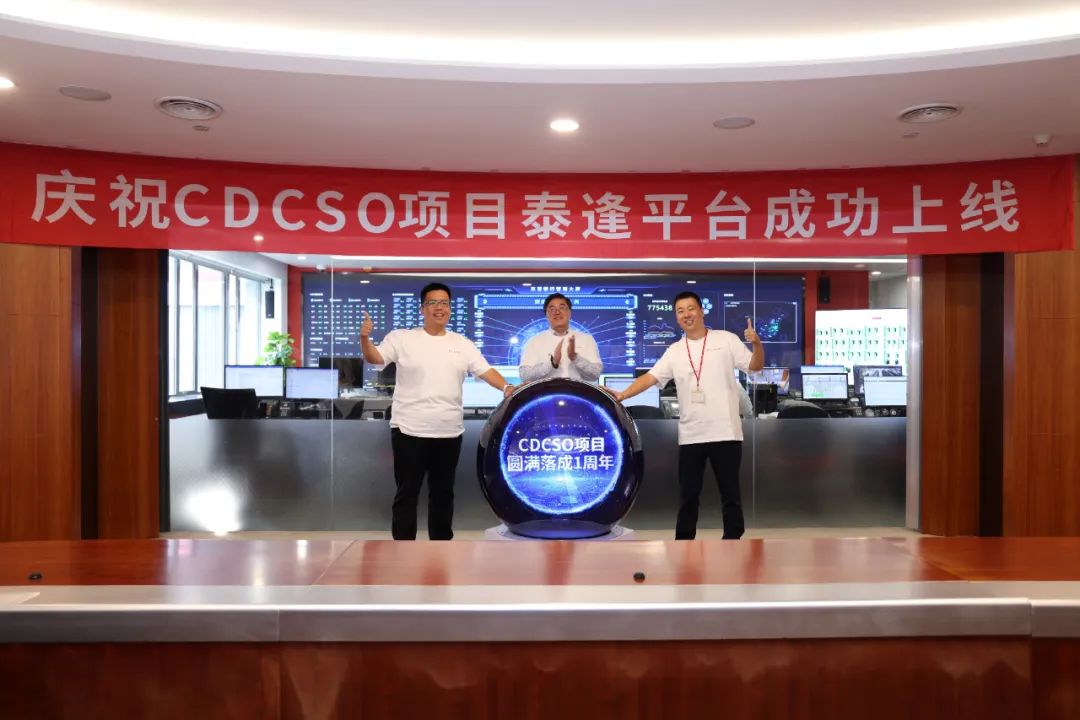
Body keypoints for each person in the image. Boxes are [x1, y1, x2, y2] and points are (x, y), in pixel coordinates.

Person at [359, 282, 513, 540]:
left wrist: (507, 387)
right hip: (409, 429)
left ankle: (441, 550)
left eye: (444, 303)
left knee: (443, 494)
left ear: (450, 308)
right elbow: (376, 358)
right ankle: (403, 550)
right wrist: (365, 339)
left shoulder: (462, 343)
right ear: (422, 308)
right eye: (433, 302)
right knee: (407, 493)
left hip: (448, 431)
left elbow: (485, 370)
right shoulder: (402, 338)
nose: (439, 308)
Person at [612, 291, 763, 540]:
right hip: (691, 434)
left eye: (690, 309)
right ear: (676, 317)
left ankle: (734, 541)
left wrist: (756, 344)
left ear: (701, 311)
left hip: (726, 431)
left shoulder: (725, 340)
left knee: (731, 494)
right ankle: (683, 543)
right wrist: (623, 394)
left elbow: (755, 366)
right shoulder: (675, 350)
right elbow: (651, 377)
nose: (686, 315)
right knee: (688, 496)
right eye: (680, 311)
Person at [518, 293, 603, 383]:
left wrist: (575, 357)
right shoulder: (534, 341)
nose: (557, 312)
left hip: (578, 392)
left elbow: (596, 374)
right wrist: (552, 363)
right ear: (546, 314)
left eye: (562, 308)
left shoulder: (586, 339)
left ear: (569, 313)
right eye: (552, 309)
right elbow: (525, 376)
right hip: (546, 392)